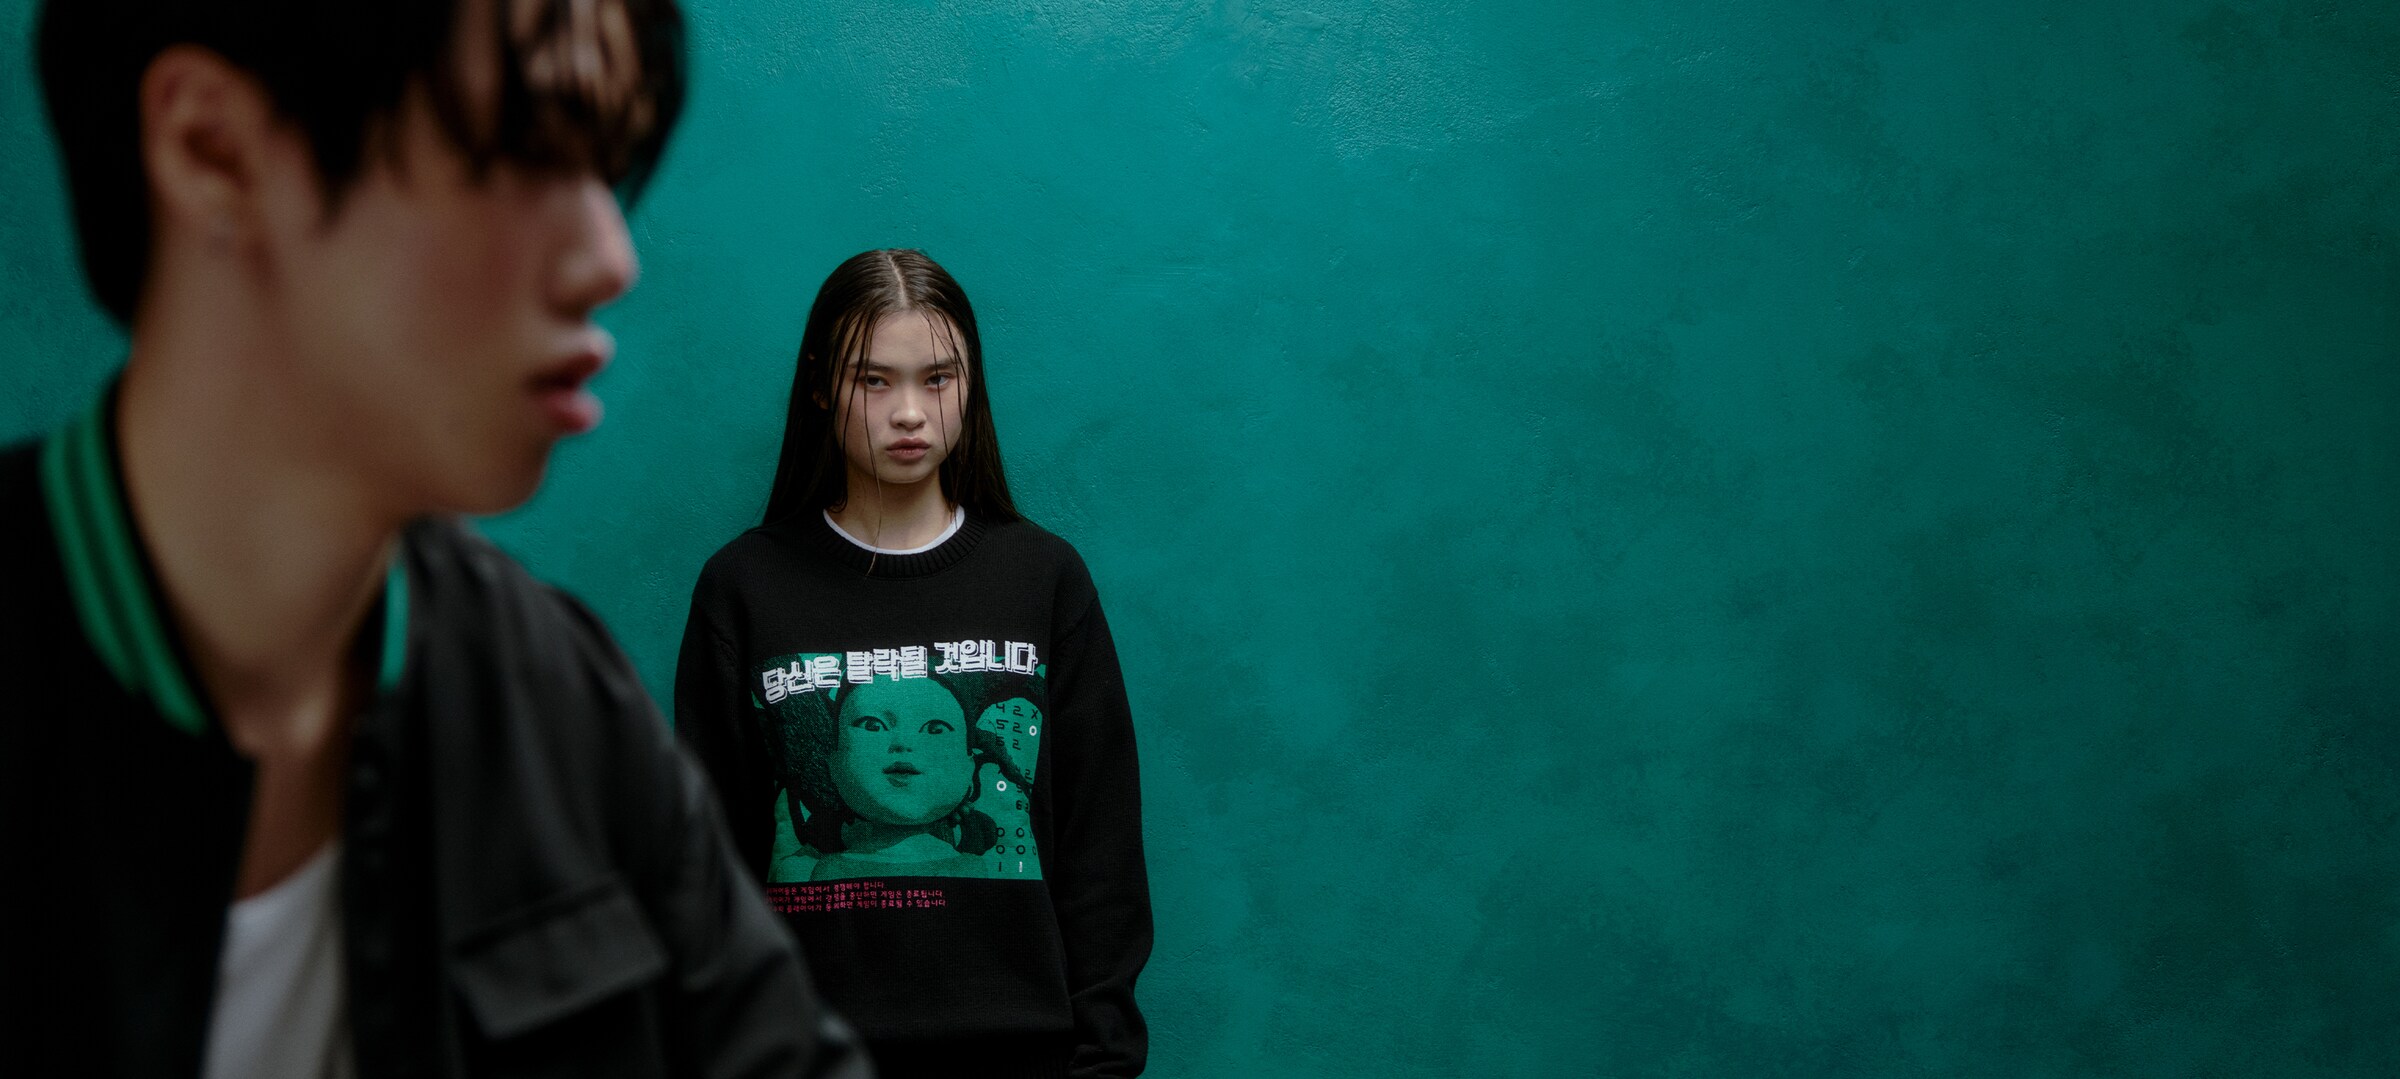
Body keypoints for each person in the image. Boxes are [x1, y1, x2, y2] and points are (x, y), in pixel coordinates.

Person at [0, 1, 869, 1076]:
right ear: (212, 148)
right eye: (531, 148)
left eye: (607, 165)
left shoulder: (557, 698)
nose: (610, 257)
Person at [676, 249, 1153, 1078]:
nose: (908, 412)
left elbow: (1101, 852)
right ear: (821, 387)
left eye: (938, 379)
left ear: (971, 384)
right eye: (873, 380)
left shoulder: (1043, 580)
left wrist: (1102, 1061)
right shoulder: (745, 588)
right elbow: (701, 871)